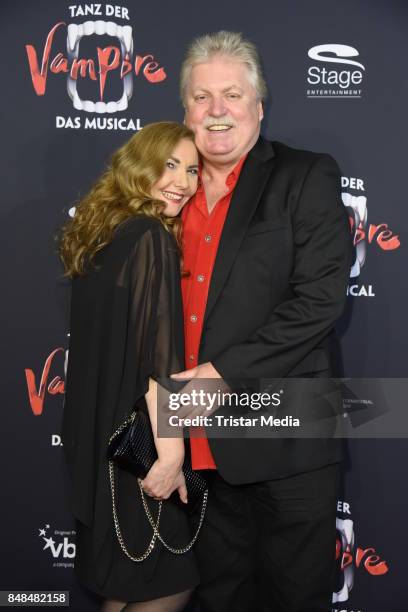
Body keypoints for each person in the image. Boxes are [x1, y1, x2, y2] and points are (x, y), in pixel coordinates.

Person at [171, 32, 353, 611]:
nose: (217, 110)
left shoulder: (304, 176)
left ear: (258, 107)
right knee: (221, 596)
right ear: (186, 111)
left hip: (287, 440)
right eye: (202, 97)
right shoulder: (167, 192)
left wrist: (221, 373)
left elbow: (319, 301)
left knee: (294, 597)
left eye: (231, 94)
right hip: (198, 443)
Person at [59, 122, 200, 612]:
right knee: (169, 584)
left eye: (192, 169)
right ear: (141, 166)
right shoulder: (150, 239)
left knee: (126, 586)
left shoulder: (101, 235)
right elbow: (158, 364)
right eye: (170, 165)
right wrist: (171, 457)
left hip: (98, 444)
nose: (182, 181)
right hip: (135, 450)